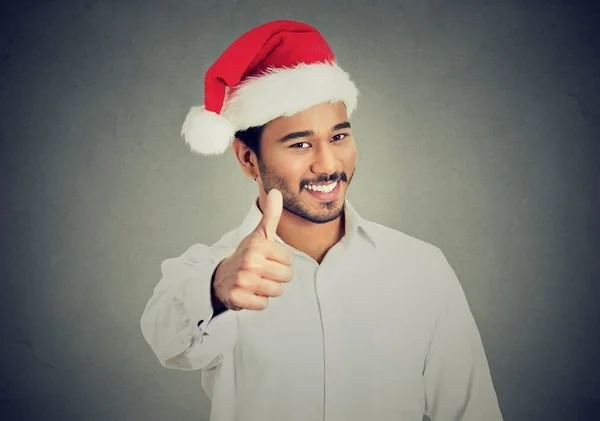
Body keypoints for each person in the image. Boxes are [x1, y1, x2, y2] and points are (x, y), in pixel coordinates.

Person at [140, 20, 503, 421]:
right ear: (248, 159)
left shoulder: (422, 268)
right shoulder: (212, 270)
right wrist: (216, 290)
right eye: (300, 144)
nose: (328, 164)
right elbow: (168, 341)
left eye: (338, 137)